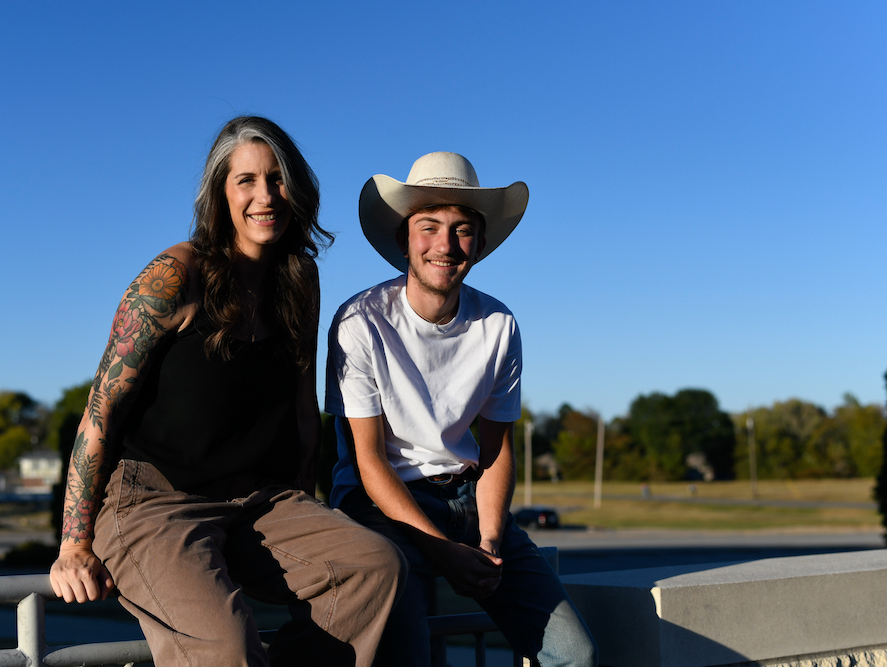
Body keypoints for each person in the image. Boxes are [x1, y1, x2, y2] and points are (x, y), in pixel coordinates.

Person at [49, 116, 405, 667]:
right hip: (152, 503)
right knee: (225, 644)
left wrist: (306, 513)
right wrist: (73, 543)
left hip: (258, 502)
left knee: (375, 566)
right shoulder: (173, 277)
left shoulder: (299, 280)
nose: (266, 196)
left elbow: (302, 409)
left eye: (279, 179)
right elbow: (101, 414)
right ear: (220, 194)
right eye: (247, 180)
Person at [325, 152, 598, 667]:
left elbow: (496, 452)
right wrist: (441, 550)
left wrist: (490, 538)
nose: (445, 246)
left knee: (575, 656)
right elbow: (368, 462)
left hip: (471, 500)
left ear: (481, 242)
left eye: (462, 230)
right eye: (429, 227)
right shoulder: (359, 322)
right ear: (405, 238)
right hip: (382, 508)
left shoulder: (499, 325)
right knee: (410, 655)